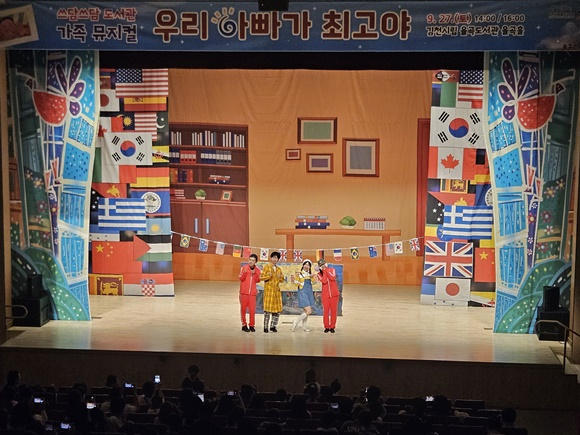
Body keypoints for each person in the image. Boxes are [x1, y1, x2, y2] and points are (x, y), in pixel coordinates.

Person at [260, 251, 285, 333]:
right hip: (269, 291)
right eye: (273, 257)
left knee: (276, 311)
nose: (275, 259)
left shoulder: (278, 269)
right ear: (271, 258)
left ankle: (273, 326)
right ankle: (265, 327)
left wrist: (280, 277)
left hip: (276, 292)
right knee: (267, 310)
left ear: (278, 259)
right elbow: (261, 277)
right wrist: (268, 276)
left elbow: (282, 280)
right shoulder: (267, 267)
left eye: (276, 258)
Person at [315, 259, 340, 333]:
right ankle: (326, 326)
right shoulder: (319, 274)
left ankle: (332, 326)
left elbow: (332, 277)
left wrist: (326, 270)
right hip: (325, 295)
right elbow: (324, 281)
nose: (323, 265)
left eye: (324, 264)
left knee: (333, 311)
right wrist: (324, 271)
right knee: (326, 311)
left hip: (334, 295)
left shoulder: (332, 270)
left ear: (326, 263)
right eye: (321, 265)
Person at [239, 253, 261, 332]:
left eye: (253, 260)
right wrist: (246, 273)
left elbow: (257, 280)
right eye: (250, 260)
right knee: (243, 309)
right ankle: (244, 325)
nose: (251, 261)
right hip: (244, 292)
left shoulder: (257, 270)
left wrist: (255, 274)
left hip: (252, 293)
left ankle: (252, 325)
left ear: (255, 262)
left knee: (252, 310)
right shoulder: (244, 268)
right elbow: (241, 278)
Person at [292, 259, 315, 332]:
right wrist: (296, 280)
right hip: (303, 292)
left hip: (309, 292)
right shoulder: (299, 273)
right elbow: (296, 283)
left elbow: (313, 283)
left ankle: (304, 326)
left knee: (306, 310)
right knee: (309, 311)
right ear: (303, 265)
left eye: (308, 265)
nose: (307, 266)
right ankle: (296, 321)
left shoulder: (310, 274)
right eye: (305, 264)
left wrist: (312, 277)